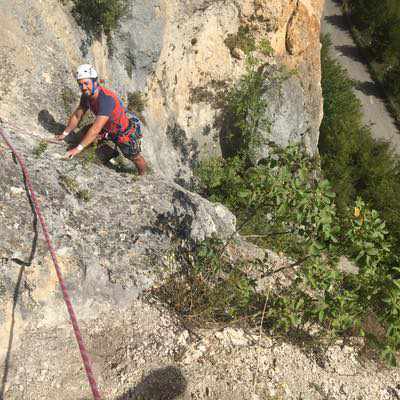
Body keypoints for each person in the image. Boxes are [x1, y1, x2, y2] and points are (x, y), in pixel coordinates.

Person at [56, 64, 147, 175]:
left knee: (135, 157)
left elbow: (95, 130)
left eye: (86, 83)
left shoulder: (106, 99)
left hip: (123, 133)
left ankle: (143, 176)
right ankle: (109, 153)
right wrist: (65, 134)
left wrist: (77, 149)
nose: (83, 87)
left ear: (95, 82)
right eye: (80, 84)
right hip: (106, 128)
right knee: (82, 135)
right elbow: (77, 116)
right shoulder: (86, 96)